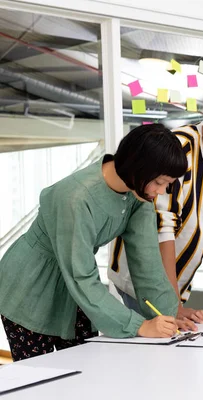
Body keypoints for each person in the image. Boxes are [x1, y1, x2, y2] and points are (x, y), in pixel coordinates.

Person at [0, 124, 189, 361]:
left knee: (86, 370)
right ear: (139, 167)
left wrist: (168, 315)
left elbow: (147, 263)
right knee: (39, 380)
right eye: (160, 182)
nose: (160, 192)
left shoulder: (138, 194)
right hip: (31, 288)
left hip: (77, 283)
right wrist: (139, 326)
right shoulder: (75, 198)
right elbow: (80, 276)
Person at [109, 88, 203, 323]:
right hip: (142, 283)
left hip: (175, 286)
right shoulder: (179, 150)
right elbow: (163, 228)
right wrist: (172, 305)